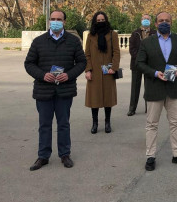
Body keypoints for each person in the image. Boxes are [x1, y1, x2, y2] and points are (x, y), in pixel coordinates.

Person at [24, 10, 87, 170]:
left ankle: (65, 154)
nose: (56, 22)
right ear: (49, 22)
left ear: (64, 22)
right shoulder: (38, 41)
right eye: (53, 19)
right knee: (44, 124)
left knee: (63, 123)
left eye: (59, 19)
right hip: (43, 89)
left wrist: (69, 75)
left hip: (64, 90)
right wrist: (42, 75)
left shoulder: (73, 41)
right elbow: (29, 63)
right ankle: (43, 156)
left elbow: (81, 62)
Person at [137, 12, 177, 171]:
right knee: (152, 124)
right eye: (161, 20)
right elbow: (139, 63)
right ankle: (150, 156)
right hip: (155, 87)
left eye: (167, 20)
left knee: (175, 123)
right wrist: (154, 73)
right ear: (155, 24)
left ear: (171, 22)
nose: (164, 23)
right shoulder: (147, 42)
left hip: (174, 88)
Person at [84, 11, 120, 134]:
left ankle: (107, 122)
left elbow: (116, 52)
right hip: (94, 72)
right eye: (98, 20)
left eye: (102, 20)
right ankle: (95, 123)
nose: (100, 22)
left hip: (108, 72)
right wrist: (88, 70)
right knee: (94, 99)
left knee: (108, 99)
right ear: (94, 21)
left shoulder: (112, 34)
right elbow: (87, 54)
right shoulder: (90, 35)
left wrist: (114, 68)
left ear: (106, 20)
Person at [128, 14, 155, 116]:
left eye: (148, 19)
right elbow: (132, 49)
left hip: (149, 64)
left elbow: (156, 48)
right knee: (135, 87)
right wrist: (140, 59)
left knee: (148, 87)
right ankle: (132, 108)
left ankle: (148, 108)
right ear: (141, 20)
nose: (146, 21)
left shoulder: (154, 33)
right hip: (136, 64)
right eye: (144, 19)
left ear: (151, 21)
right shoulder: (135, 33)